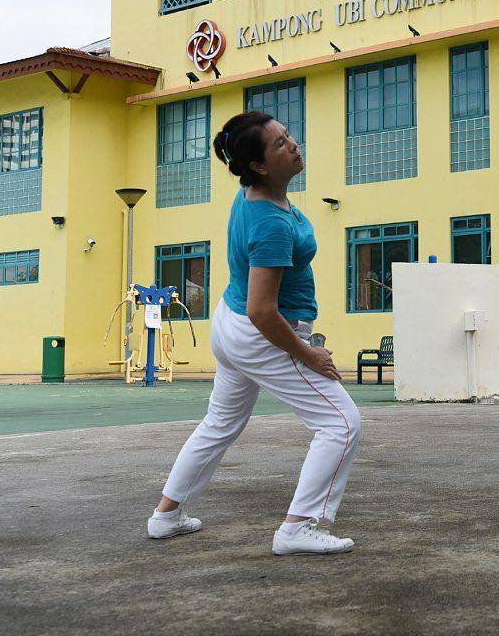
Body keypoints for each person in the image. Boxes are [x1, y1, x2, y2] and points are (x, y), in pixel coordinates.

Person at [146, 111, 362, 554]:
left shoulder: (253, 195)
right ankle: (299, 527)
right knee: (340, 423)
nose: (294, 144)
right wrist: (307, 353)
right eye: (281, 143)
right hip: (260, 332)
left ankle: (166, 516)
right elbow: (263, 311)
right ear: (259, 166)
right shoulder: (269, 223)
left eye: (289, 135)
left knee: (219, 423)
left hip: (230, 324)